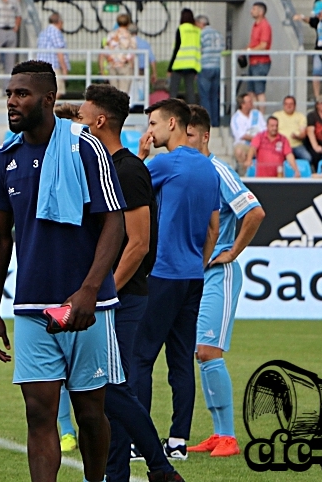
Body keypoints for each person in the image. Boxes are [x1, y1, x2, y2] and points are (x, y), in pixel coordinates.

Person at [0, 61, 126, 482]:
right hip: (31, 307)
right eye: (9, 93)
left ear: (48, 99)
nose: (12, 101)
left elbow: (113, 223)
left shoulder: (85, 148)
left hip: (87, 306)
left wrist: (89, 291)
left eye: (22, 94)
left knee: (90, 413)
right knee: (39, 415)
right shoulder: (3, 158)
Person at [78, 85, 186, 482]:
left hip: (126, 299)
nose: (79, 122)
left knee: (113, 389)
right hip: (110, 297)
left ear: (100, 120)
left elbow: (138, 243)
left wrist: (104, 291)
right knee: (107, 392)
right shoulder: (107, 166)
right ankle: (119, 472)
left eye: (84, 115)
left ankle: (157, 467)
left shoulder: (129, 171)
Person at [133, 97, 219, 461]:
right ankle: (179, 441)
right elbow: (213, 228)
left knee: (140, 357)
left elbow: (124, 187)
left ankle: (140, 440)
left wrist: (139, 155)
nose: (149, 130)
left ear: (172, 124)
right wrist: (197, 262)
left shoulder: (164, 163)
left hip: (163, 272)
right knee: (181, 360)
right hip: (192, 276)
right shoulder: (209, 168)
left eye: (153, 123)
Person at [183, 104, 265, 459]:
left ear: (204, 136)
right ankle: (218, 433)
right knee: (200, 353)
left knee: (208, 351)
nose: (182, 141)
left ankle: (229, 436)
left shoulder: (218, 170)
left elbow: (255, 211)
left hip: (221, 272)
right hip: (197, 273)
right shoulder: (189, 171)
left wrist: (232, 252)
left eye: (188, 135)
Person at [168, 8, 201, 104]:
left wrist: (170, 68)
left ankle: (171, 111)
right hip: (192, 65)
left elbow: (176, 49)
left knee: (173, 90)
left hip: (179, 64)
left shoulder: (181, 29)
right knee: (190, 91)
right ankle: (191, 112)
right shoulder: (197, 31)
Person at [197, 15, 223, 126]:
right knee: (214, 96)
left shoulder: (202, 34)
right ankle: (216, 122)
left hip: (205, 66)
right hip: (217, 66)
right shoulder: (218, 34)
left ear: (201, 24)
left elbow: (199, 49)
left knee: (205, 96)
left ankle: (206, 122)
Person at [230, 92, 266, 169]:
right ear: (242, 105)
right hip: (244, 145)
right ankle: (244, 173)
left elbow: (264, 129)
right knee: (239, 152)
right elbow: (241, 135)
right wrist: (256, 139)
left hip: (260, 144)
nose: (252, 103)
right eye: (249, 102)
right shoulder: (236, 118)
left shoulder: (257, 114)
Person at [246, 2, 272, 107]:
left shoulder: (264, 25)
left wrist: (249, 51)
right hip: (253, 62)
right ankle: (255, 115)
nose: (251, 11)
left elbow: (263, 45)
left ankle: (260, 116)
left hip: (261, 62)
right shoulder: (255, 25)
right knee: (251, 91)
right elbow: (254, 43)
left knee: (259, 90)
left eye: (254, 9)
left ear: (261, 12)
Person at [37, 13, 69, 97]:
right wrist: (64, 68)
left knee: (45, 90)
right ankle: (50, 108)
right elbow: (59, 51)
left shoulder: (43, 32)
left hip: (41, 66)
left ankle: (46, 108)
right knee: (58, 89)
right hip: (53, 66)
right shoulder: (56, 32)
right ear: (59, 22)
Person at [105, 13, 137, 94]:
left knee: (113, 91)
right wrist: (126, 60)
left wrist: (110, 58)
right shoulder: (130, 36)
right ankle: (121, 106)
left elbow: (106, 48)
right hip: (125, 65)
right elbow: (132, 51)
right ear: (128, 23)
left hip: (112, 64)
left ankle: (113, 106)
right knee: (124, 91)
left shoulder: (111, 35)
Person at [272, 95, 311, 162]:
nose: (288, 106)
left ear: (295, 105)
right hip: (281, 145)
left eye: (291, 104)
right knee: (274, 159)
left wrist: (297, 136)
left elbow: (303, 134)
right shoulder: (276, 115)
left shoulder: (301, 116)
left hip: (296, 145)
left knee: (308, 158)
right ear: (283, 105)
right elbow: (271, 131)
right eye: (286, 104)